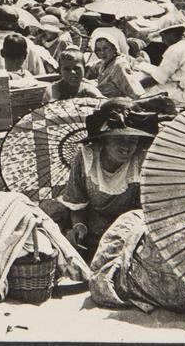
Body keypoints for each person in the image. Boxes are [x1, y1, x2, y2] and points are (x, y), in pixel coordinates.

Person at [50, 99, 158, 262]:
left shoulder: (141, 160)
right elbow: (77, 202)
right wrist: (79, 227)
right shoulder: (86, 158)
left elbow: (148, 209)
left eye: (132, 140)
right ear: (105, 140)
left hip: (130, 234)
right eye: (119, 139)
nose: (126, 147)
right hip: (93, 231)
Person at [88, 27, 143, 99]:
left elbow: (135, 92)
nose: (102, 52)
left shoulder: (119, 65)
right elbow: (91, 66)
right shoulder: (104, 63)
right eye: (98, 50)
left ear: (114, 47)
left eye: (105, 48)